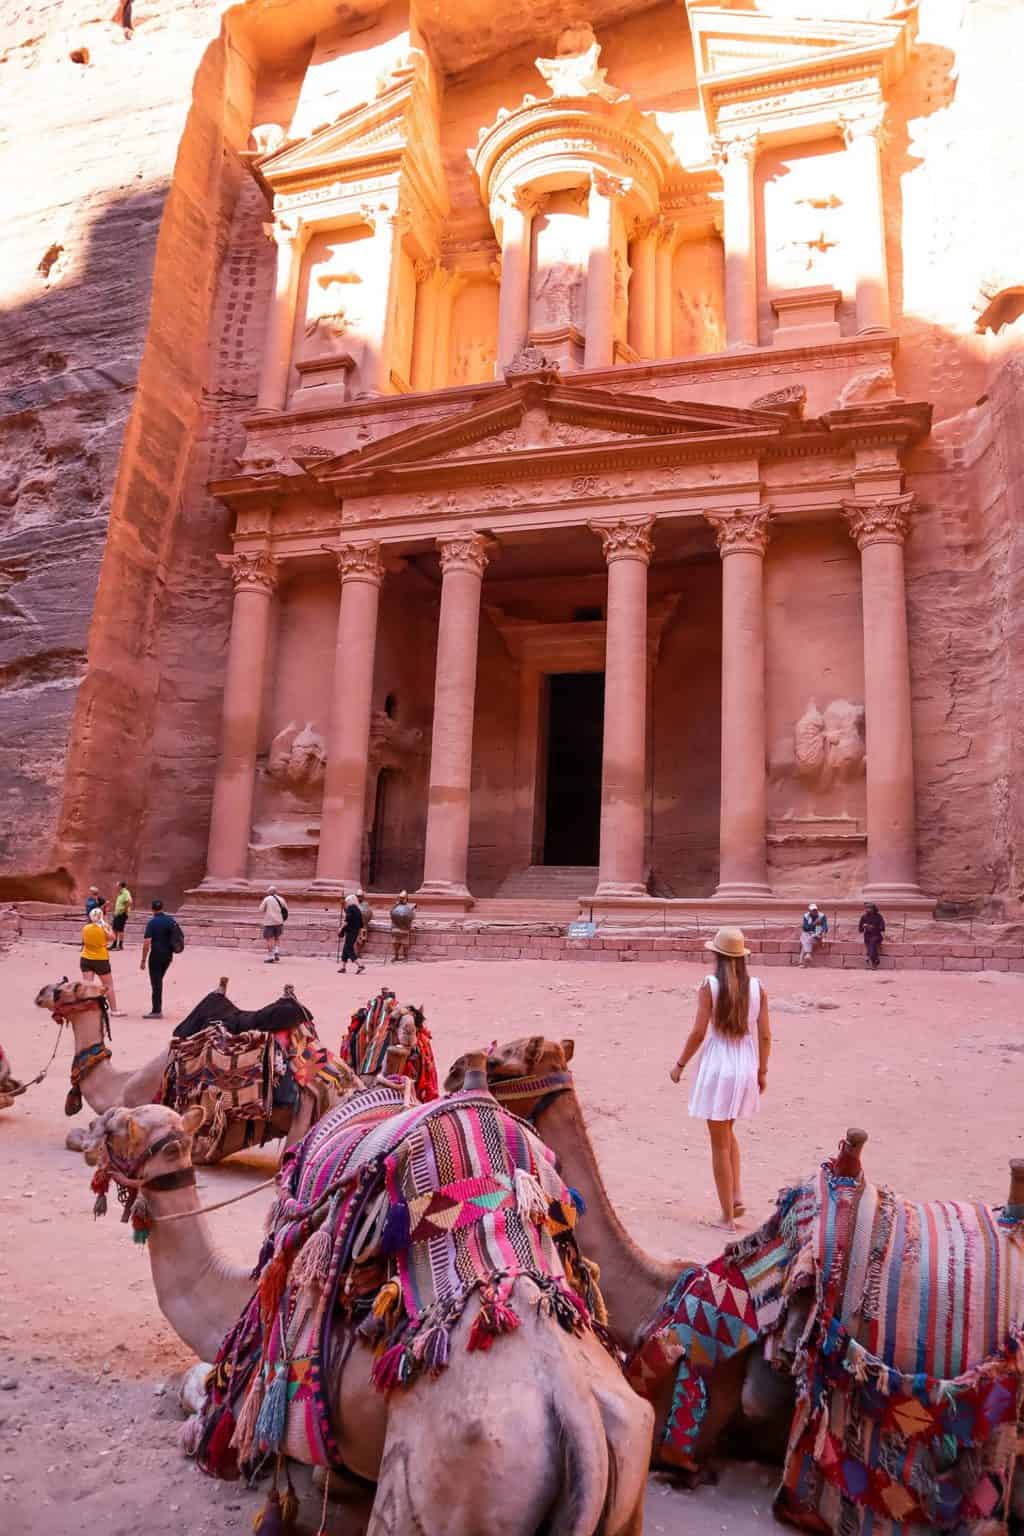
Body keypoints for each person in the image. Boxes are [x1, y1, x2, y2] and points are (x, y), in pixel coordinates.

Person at [669, 925, 771, 1231]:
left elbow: (698, 1032)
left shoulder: (710, 986)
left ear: (717, 956)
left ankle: (727, 1218)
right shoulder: (757, 988)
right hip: (745, 1065)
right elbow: (765, 1036)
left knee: (719, 1144)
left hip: (718, 1065)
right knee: (727, 1132)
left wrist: (680, 1064)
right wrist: (762, 1071)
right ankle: (736, 1196)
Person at [140, 898, 181, 1018]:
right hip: (168, 955)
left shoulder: (152, 923)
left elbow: (147, 943)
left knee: (156, 983)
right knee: (158, 980)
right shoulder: (170, 920)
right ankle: (157, 1009)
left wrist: (143, 960)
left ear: (152, 909)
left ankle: (156, 1011)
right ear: (162, 908)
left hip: (156, 955)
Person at [80, 903, 121, 1015]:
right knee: (108, 986)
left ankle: (85, 1009)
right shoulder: (104, 928)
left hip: (86, 957)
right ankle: (114, 1010)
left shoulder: (85, 928)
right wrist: (106, 925)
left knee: (87, 985)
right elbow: (112, 937)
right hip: (101, 959)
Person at [258, 885, 287, 963]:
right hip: (279, 922)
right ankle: (276, 952)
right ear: (276, 892)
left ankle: (270, 957)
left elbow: (261, 909)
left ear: (269, 892)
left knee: (269, 939)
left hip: (269, 922)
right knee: (277, 937)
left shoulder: (267, 899)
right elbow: (285, 909)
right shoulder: (281, 899)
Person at [338, 893, 365, 975]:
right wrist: (360, 935)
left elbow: (347, 921)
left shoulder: (350, 908)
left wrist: (340, 928)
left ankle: (360, 964)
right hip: (355, 932)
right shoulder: (358, 910)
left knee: (349, 948)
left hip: (350, 931)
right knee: (346, 948)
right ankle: (343, 967)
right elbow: (361, 924)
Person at [799, 901, 828, 966]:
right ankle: (805, 958)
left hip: (818, 935)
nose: (815, 911)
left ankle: (804, 958)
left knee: (806, 939)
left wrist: (823, 935)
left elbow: (825, 927)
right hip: (809, 934)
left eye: (815, 910)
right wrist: (814, 923)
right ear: (810, 911)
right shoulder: (806, 916)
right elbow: (805, 928)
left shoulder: (822, 916)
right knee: (806, 936)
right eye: (813, 910)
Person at [390, 891, 416, 962]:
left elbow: (412, 916)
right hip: (396, 927)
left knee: (405, 943)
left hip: (405, 927)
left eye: (403, 898)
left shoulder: (411, 907)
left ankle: (405, 956)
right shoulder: (396, 906)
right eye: (400, 898)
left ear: (406, 899)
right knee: (395, 943)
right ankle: (396, 956)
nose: (401, 900)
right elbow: (391, 914)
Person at [858, 902, 886, 969]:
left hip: (877, 935)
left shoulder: (879, 916)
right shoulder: (864, 917)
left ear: (873, 909)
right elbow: (860, 930)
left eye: (869, 908)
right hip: (867, 936)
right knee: (870, 943)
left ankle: (870, 957)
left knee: (872, 942)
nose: (867, 909)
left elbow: (882, 928)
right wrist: (864, 926)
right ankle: (875, 960)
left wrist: (873, 927)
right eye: (866, 908)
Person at [111, 880, 133, 951]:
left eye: (117, 885)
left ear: (120, 886)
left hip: (122, 914)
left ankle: (120, 946)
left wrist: (124, 910)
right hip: (117, 914)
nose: (116, 887)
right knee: (114, 929)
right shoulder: (120, 893)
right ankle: (114, 944)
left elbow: (129, 902)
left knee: (120, 930)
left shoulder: (125, 892)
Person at [355, 889, 373, 960]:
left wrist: (366, 920)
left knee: (363, 939)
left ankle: (359, 953)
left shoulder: (366, 905)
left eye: (360, 896)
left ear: (363, 897)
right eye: (358, 896)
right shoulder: (354, 904)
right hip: (355, 925)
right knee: (356, 939)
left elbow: (370, 914)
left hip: (363, 925)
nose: (359, 897)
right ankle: (356, 953)